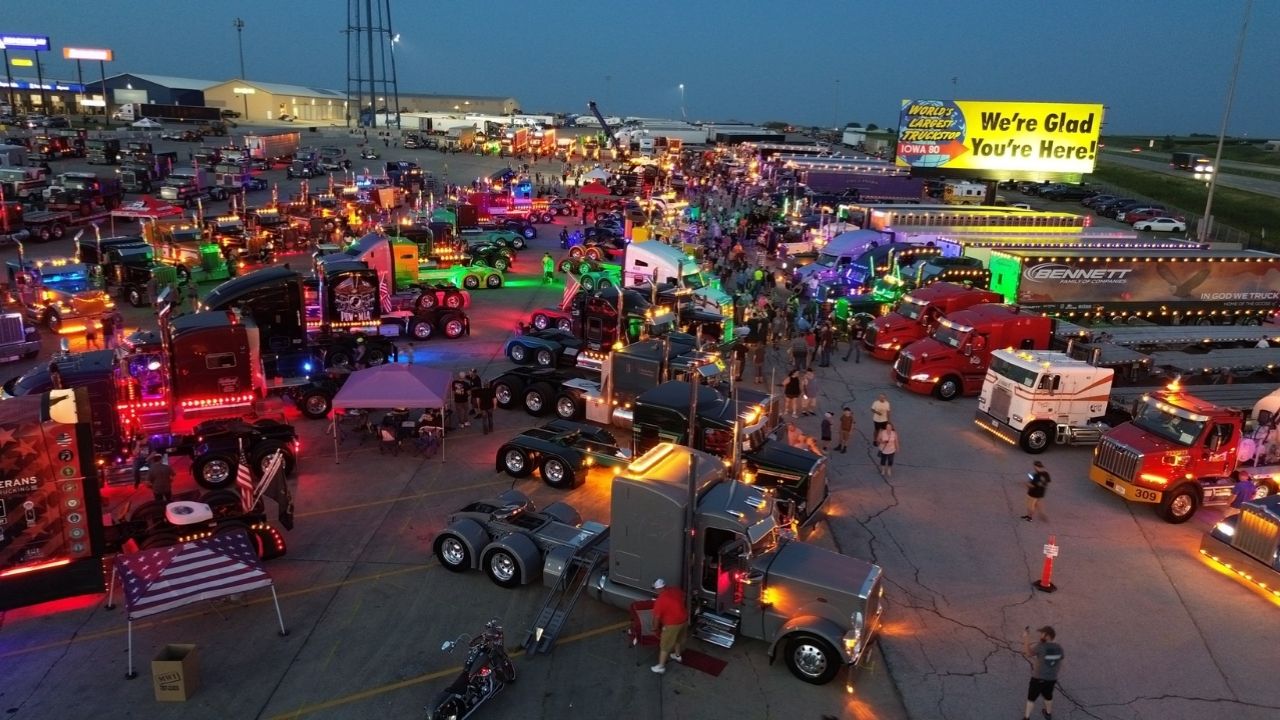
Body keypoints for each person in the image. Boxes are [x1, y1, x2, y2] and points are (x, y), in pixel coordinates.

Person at [1021, 625, 1064, 720]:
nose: (1040, 635)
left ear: (1047, 636)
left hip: (1038, 678)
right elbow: (1060, 658)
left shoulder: (1041, 646)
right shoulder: (1059, 648)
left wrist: (1026, 638)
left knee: (1031, 698)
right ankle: (1048, 713)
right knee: (1048, 696)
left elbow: (1028, 653)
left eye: (1042, 634)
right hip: (1052, 679)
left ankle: (1026, 718)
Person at [650, 578, 688, 674]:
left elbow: (656, 618)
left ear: (659, 589)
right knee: (678, 638)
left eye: (655, 589)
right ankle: (677, 656)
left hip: (672, 624)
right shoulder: (675, 589)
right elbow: (683, 596)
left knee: (665, 645)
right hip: (684, 620)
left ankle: (661, 666)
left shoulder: (660, 600)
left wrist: (655, 629)